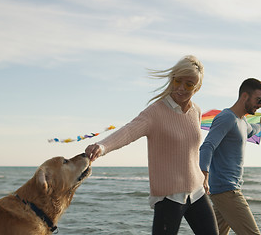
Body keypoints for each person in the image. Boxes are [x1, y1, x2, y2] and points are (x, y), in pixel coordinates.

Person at [85, 55, 219, 235]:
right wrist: (102, 146)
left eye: (189, 84)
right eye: (177, 80)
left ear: (198, 87)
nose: (181, 88)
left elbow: (191, 150)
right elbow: (128, 131)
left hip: (197, 192)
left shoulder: (196, 111)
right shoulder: (155, 112)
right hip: (169, 197)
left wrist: (204, 177)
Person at [199, 78, 261, 235]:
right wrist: (203, 175)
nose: (259, 105)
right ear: (245, 96)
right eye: (258, 100)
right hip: (227, 190)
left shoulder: (242, 121)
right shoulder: (226, 118)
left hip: (225, 190)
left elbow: (252, 130)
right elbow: (207, 146)